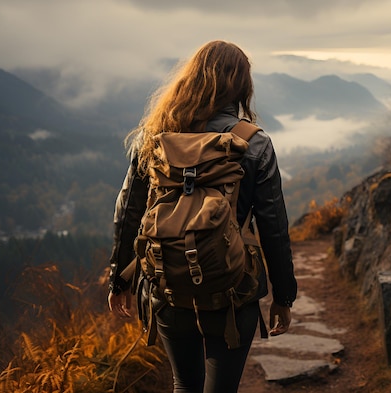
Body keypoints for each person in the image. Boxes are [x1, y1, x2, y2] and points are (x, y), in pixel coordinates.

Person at [107, 40, 297, 392]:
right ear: (243, 86)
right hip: (232, 290)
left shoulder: (154, 137)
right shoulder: (254, 144)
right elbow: (274, 228)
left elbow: (128, 212)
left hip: (167, 286)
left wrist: (119, 279)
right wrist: (284, 298)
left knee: (184, 384)